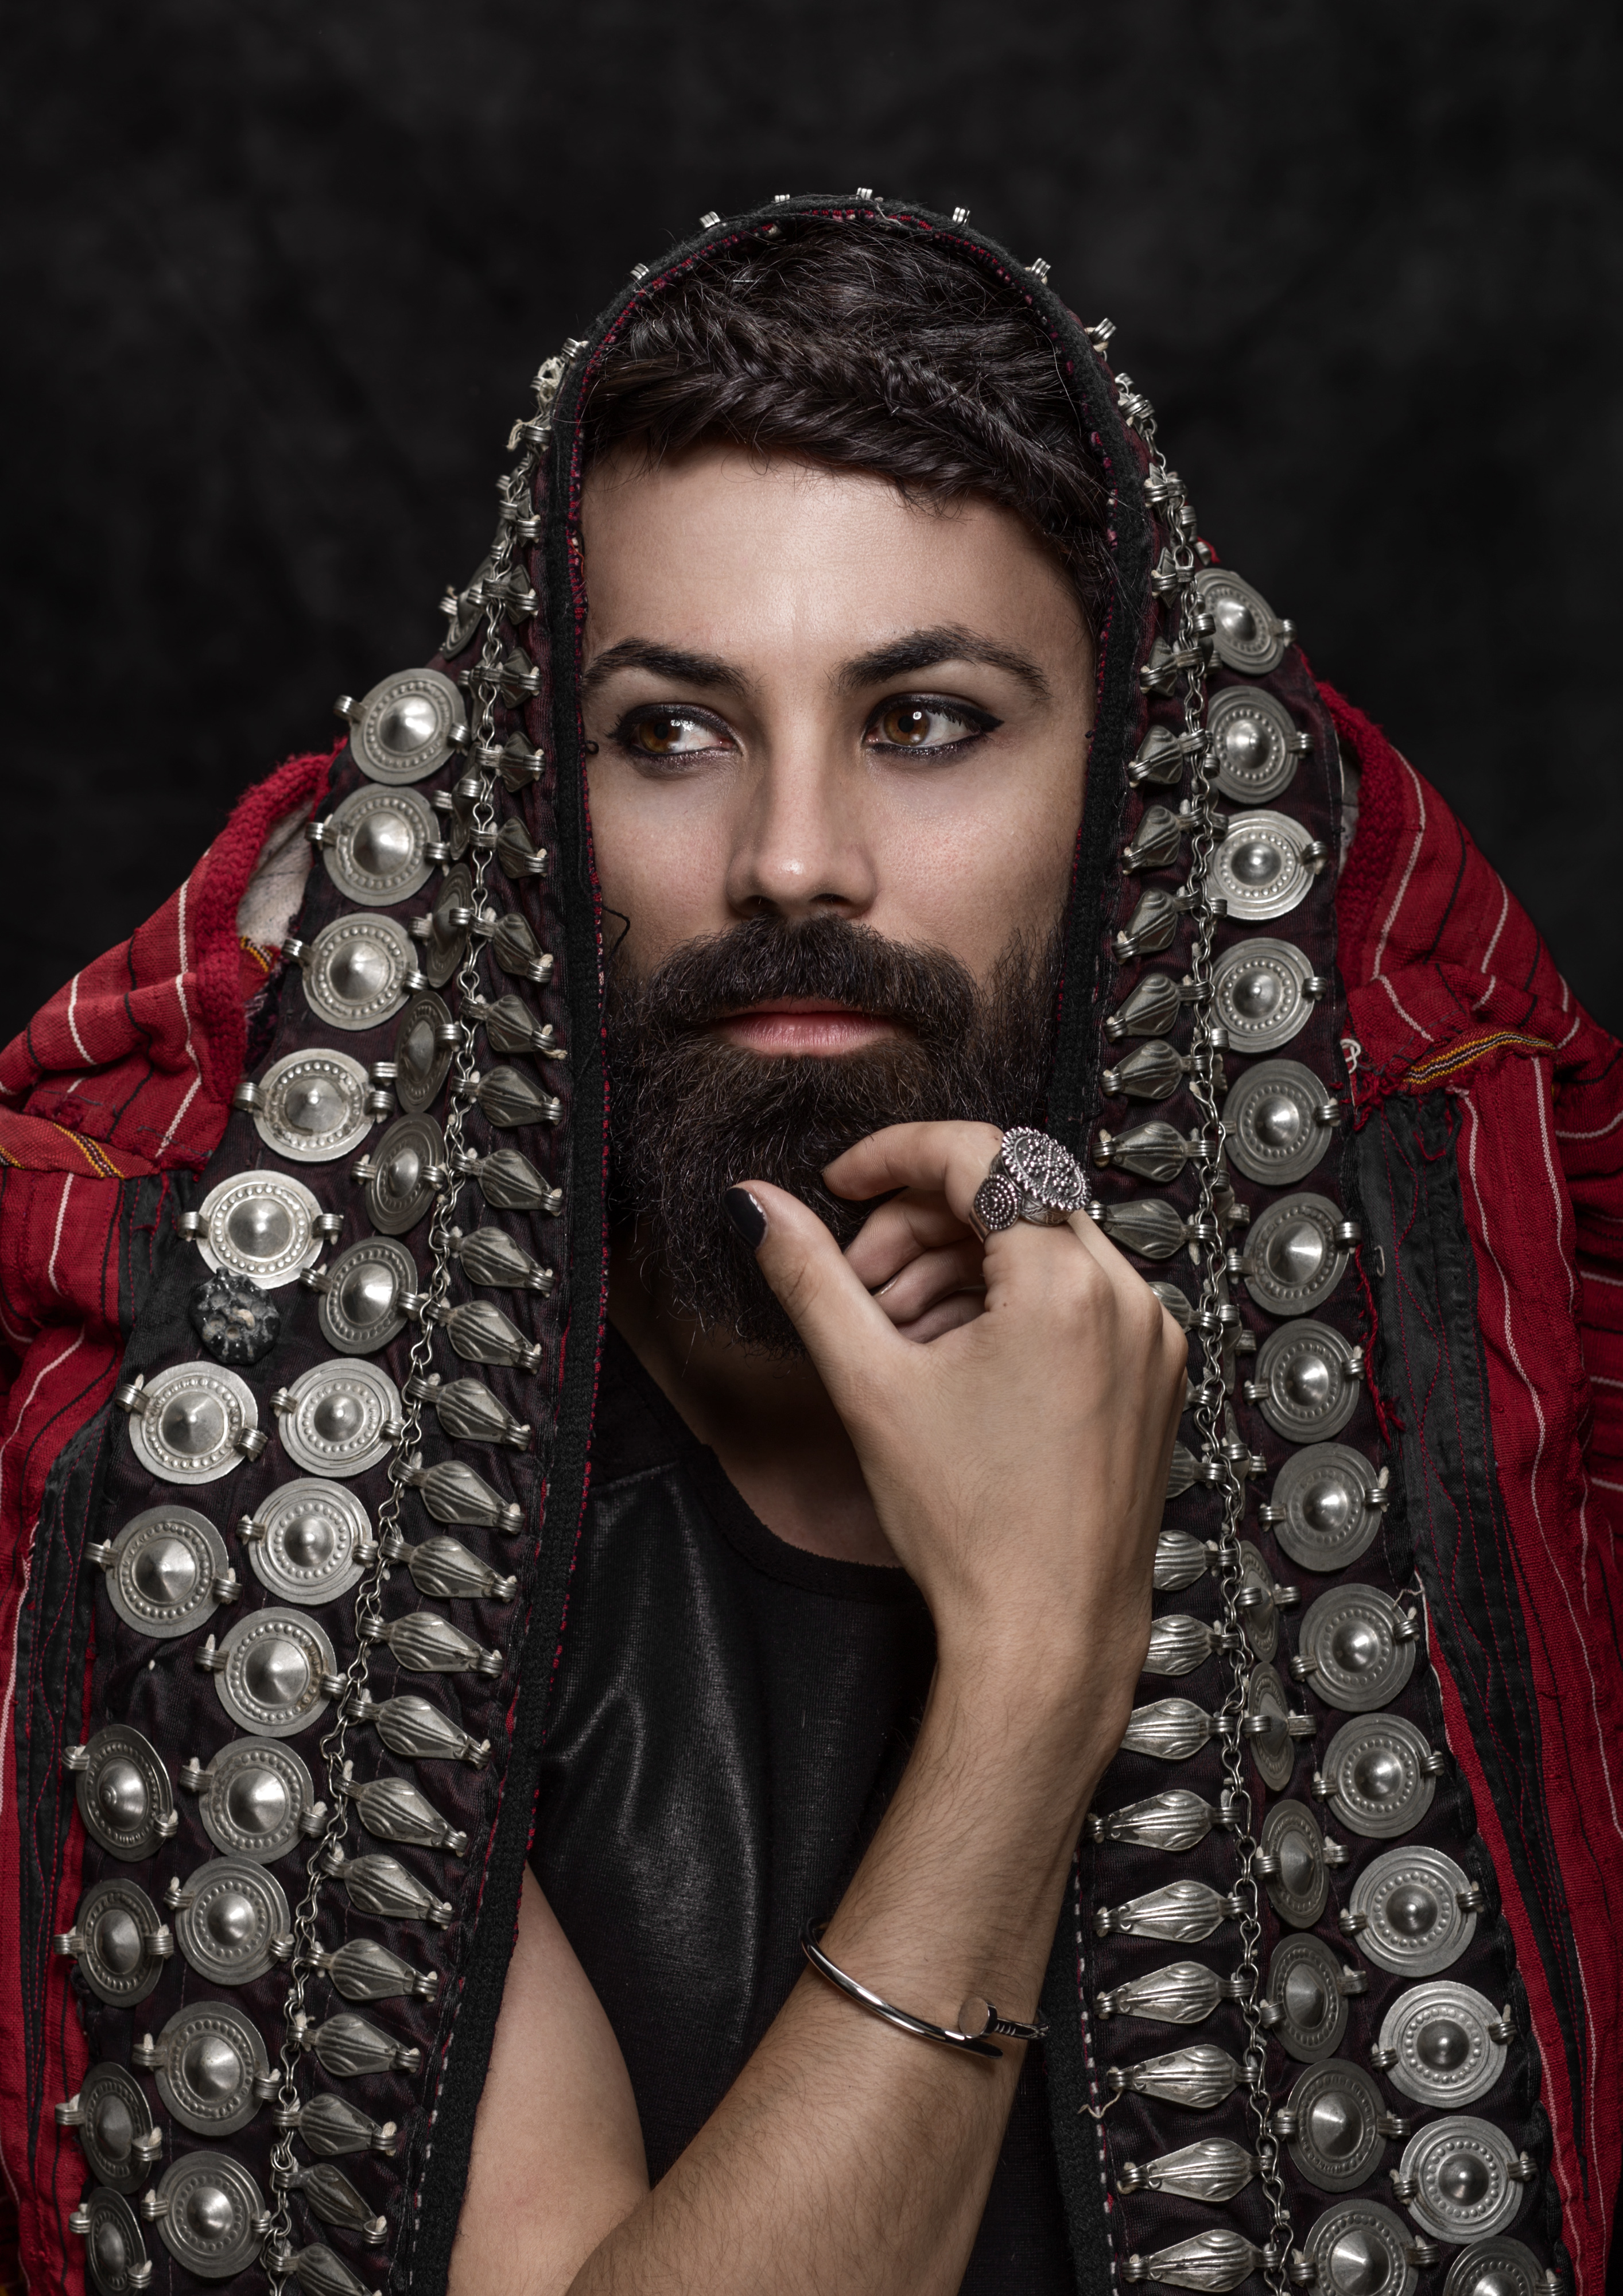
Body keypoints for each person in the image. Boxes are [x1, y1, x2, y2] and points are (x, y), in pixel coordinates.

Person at [2, 196, 1618, 2296]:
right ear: (526, 799)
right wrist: (1030, 1673)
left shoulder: (1471, 1344)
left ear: (1129, 784)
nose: (788, 860)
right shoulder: (262, 1481)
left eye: (923, 718)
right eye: (667, 732)